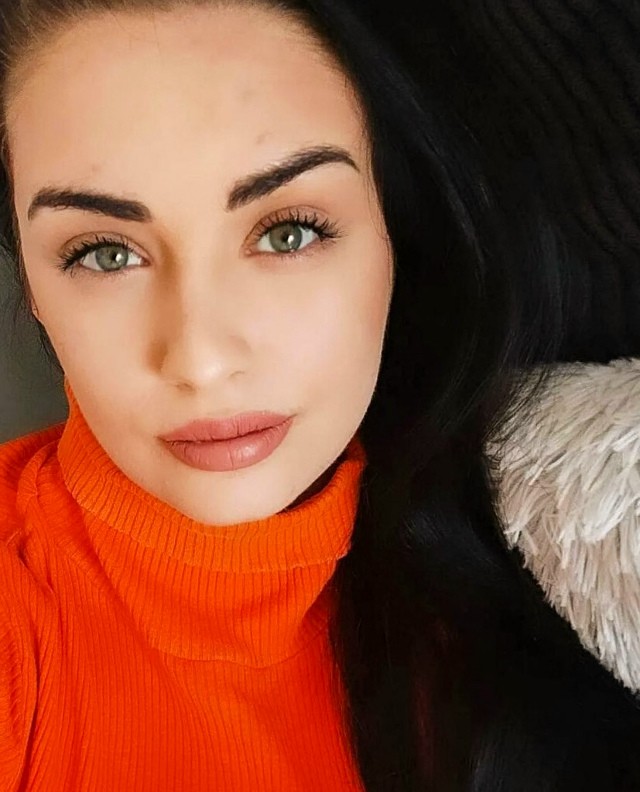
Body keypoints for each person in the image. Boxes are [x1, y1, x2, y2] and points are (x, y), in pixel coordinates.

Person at [0, 1, 639, 790]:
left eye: (289, 233)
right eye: (104, 253)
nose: (201, 361)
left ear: (394, 232)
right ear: (32, 282)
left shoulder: (575, 548)